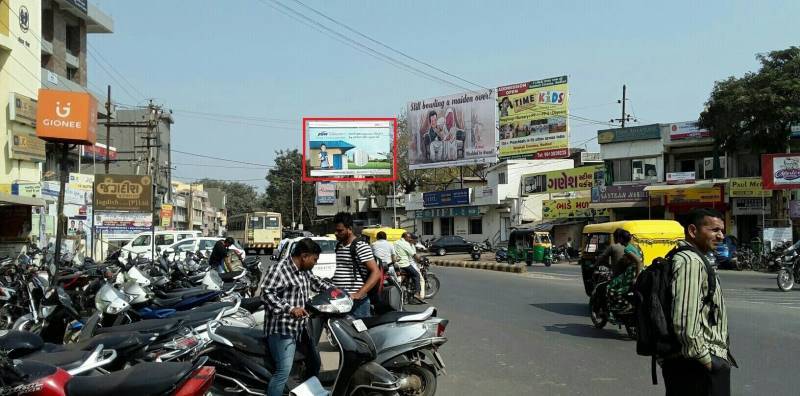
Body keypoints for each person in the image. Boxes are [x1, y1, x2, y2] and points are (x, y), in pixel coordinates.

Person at [661, 208, 733, 396]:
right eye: (714, 230)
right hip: (695, 367)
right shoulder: (690, 261)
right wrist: (707, 360)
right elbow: (684, 319)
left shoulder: (688, 257)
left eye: (722, 231)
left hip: (688, 363)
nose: (721, 236)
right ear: (693, 231)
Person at [262, 238, 335, 396]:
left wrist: (336, 292)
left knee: (314, 364)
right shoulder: (279, 269)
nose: (315, 263)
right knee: (283, 371)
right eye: (314, 259)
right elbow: (267, 294)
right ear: (304, 256)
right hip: (282, 329)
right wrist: (290, 309)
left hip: (301, 327)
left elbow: (317, 283)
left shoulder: (305, 271)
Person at [331, 212, 381, 319]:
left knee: (360, 329)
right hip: (341, 301)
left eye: (340, 230)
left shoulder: (360, 246)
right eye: (335, 230)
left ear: (349, 229)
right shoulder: (339, 246)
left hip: (357, 303)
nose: (336, 233)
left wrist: (359, 294)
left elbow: (376, 272)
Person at [605, 229, 642, 313]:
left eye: (618, 238)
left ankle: (626, 305)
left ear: (621, 239)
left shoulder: (627, 249)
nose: (617, 240)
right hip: (632, 271)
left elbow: (638, 261)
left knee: (611, 289)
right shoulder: (633, 246)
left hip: (632, 273)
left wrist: (636, 277)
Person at [394, 232, 422, 300]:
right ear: (405, 237)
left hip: (396, 264)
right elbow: (413, 254)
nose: (410, 239)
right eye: (409, 237)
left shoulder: (395, 242)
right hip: (404, 264)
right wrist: (420, 260)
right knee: (416, 275)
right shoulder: (405, 244)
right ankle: (417, 293)